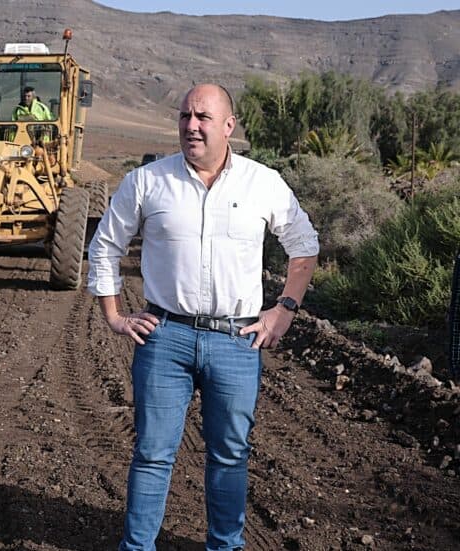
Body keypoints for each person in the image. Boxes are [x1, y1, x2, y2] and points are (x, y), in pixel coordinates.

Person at [87, 83, 319, 551]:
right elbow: (105, 247)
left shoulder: (263, 183)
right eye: (184, 116)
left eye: (203, 117)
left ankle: (225, 546)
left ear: (229, 126)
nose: (191, 126)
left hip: (236, 341)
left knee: (230, 456)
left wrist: (284, 312)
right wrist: (113, 315)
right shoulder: (147, 181)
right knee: (152, 454)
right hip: (165, 336)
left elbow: (305, 247)